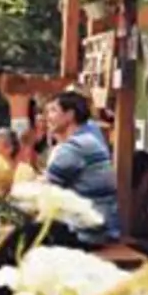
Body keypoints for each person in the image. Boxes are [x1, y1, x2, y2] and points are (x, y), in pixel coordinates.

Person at [42, 90, 121, 246]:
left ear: (70, 115)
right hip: (97, 227)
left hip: (86, 233)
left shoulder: (76, 147)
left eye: (53, 111)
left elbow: (46, 189)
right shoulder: (87, 140)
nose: (48, 117)